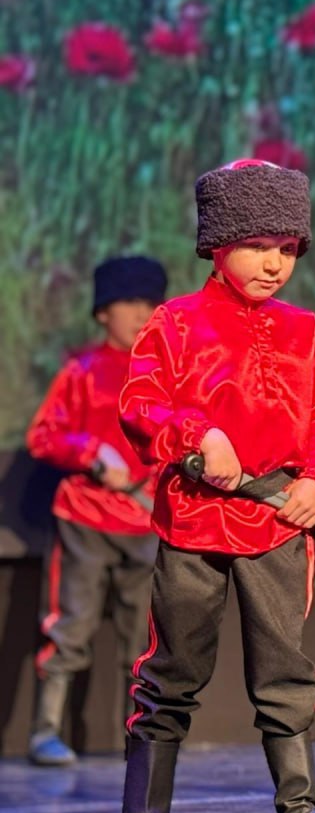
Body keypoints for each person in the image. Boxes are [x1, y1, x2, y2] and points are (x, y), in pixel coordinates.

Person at [118, 159, 315, 813]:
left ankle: (299, 808)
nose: (273, 263)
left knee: (285, 675)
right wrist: (197, 435)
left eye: (286, 248)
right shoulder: (176, 322)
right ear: (216, 244)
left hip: (277, 524)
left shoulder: (304, 329)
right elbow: (140, 406)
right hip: (195, 522)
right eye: (255, 244)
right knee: (172, 674)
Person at [25, 255, 167, 766]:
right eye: (130, 301)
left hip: (145, 522)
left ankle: (143, 740)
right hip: (86, 519)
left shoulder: (163, 374)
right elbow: (43, 436)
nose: (141, 313)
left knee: (143, 641)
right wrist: (90, 453)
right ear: (104, 310)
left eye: (151, 303)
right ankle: (45, 731)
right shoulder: (82, 370)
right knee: (71, 626)